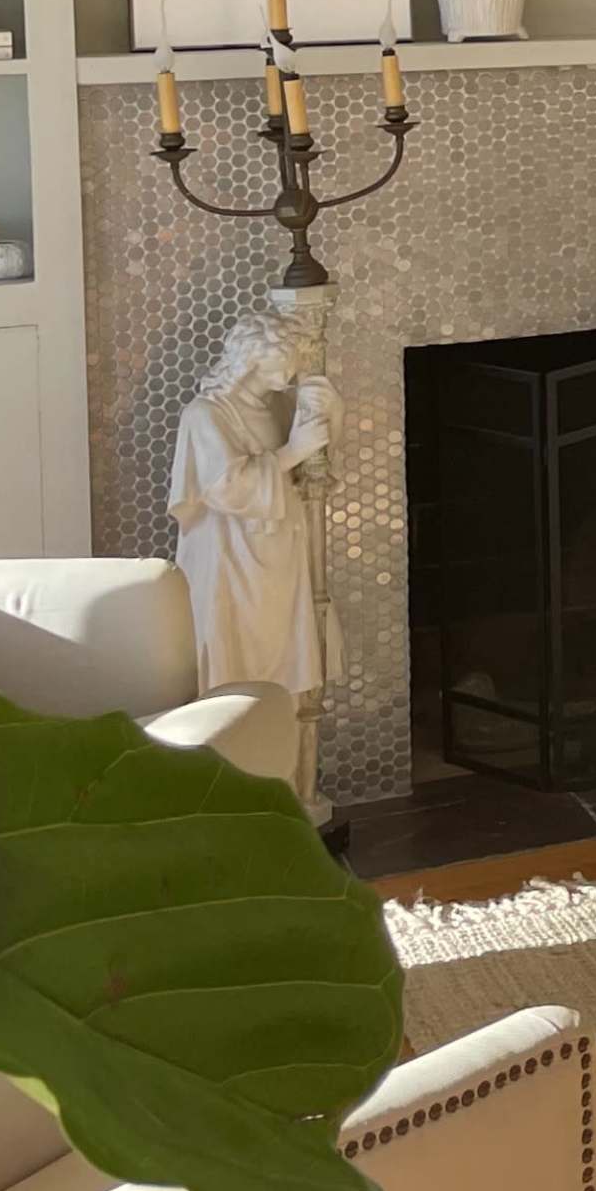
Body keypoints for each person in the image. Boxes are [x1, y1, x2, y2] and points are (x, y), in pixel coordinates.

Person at [167, 288, 341, 814]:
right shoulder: (207, 415)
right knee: (234, 656)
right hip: (229, 561)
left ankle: (286, 787)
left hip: (278, 558)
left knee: (283, 662)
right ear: (250, 361)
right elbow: (225, 488)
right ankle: (229, 789)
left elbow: (311, 455)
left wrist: (321, 413)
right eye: (280, 365)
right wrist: (292, 452)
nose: (287, 375)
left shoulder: (275, 406)